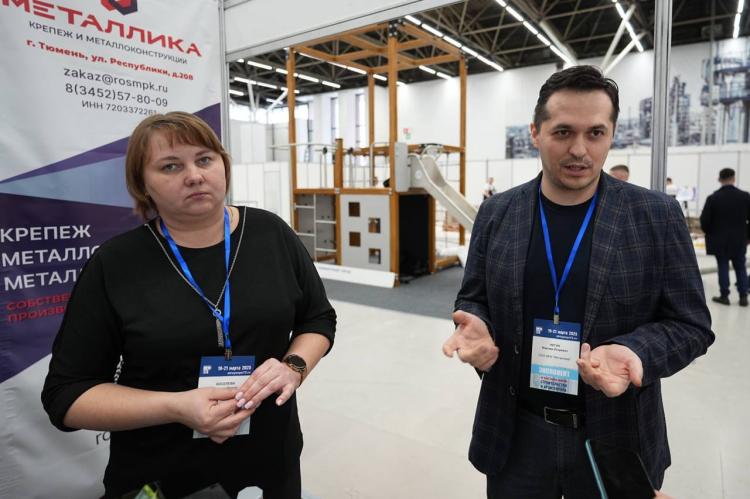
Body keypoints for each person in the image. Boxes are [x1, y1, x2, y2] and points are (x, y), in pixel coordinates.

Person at [442, 65, 714, 498]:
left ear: (612, 135)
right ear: (535, 132)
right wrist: (477, 327)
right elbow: (473, 297)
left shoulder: (655, 215)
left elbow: (692, 325)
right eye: (563, 132)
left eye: (596, 133)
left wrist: (634, 353)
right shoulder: (497, 214)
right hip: (516, 432)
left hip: (616, 435)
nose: (580, 150)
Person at [42, 112, 336, 498]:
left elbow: (317, 317)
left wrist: (293, 367)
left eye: (204, 159)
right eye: (170, 166)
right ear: (142, 185)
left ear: (223, 165)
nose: (195, 176)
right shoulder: (115, 264)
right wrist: (176, 407)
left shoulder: (271, 233)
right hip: (162, 471)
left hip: (268, 460)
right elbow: (66, 396)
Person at [699, 167, 750, 306]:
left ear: (719, 179)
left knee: (722, 266)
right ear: (734, 179)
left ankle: (724, 295)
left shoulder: (713, 198)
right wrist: (748, 237)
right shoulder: (745, 197)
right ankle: (743, 296)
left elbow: (704, 221)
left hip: (719, 240)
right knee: (740, 267)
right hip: (739, 239)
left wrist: (710, 233)